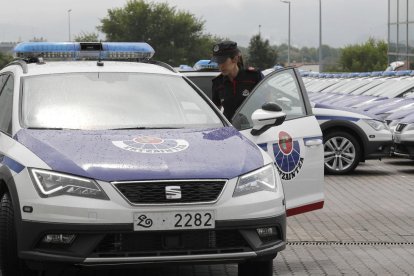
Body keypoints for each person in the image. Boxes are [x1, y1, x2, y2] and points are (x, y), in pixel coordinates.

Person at [211, 41, 263, 120]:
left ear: (235, 59)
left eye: (223, 61)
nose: (220, 66)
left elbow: (267, 102)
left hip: (253, 128)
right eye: (218, 62)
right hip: (229, 130)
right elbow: (215, 112)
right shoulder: (218, 82)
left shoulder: (254, 77)